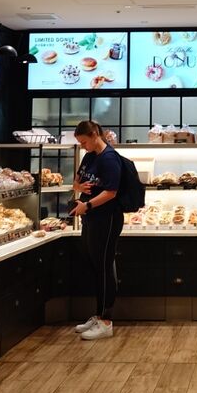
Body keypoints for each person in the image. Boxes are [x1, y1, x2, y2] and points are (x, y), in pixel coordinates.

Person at [70, 120, 123, 340]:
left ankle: (106, 321)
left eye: (84, 142)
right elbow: (76, 182)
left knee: (104, 267)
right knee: (96, 267)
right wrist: (79, 188)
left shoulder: (109, 158)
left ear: (94, 135)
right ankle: (99, 315)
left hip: (107, 219)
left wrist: (88, 205)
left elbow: (111, 192)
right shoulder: (89, 157)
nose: (83, 147)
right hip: (90, 219)